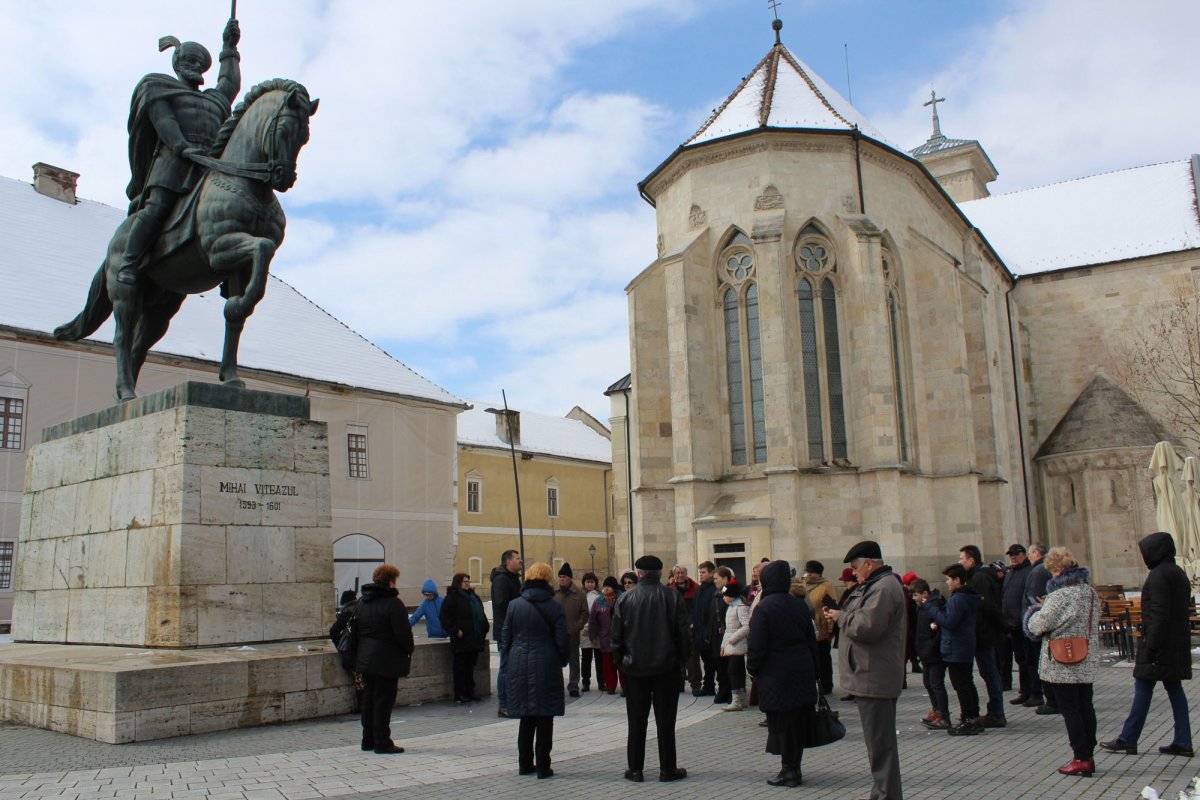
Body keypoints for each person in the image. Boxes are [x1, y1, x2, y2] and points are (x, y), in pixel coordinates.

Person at [119, 17, 242, 286]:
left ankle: (230, 266)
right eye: (190, 60)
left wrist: (229, 49)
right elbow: (164, 120)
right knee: (157, 207)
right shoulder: (158, 87)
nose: (196, 66)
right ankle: (129, 260)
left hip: (209, 165)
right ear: (178, 63)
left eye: (200, 63)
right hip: (173, 162)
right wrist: (180, 146)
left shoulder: (214, 100)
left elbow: (229, 82)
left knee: (231, 207)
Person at [1101, 531, 1194, 758]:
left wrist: (1151, 646)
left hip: (1160, 644)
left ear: (1155, 552)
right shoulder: (1177, 573)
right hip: (1175, 643)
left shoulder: (1159, 576)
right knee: (1174, 688)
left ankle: (1128, 738)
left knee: (1143, 687)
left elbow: (1159, 614)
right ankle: (1183, 740)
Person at [824, 540, 905, 800]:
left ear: (869, 564)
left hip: (875, 677)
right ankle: (882, 793)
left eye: (855, 567)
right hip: (870, 675)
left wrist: (840, 617)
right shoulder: (873, 585)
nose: (853, 572)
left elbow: (866, 627)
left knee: (881, 746)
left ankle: (886, 795)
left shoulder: (883, 588)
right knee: (878, 745)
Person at [610, 554, 690, 783]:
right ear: (661, 573)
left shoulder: (625, 599)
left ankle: (635, 769)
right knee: (666, 721)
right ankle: (667, 769)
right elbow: (683, 634)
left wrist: (621, 662)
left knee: (636, 720)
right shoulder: (672, 596)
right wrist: (681, 661)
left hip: (634, 668)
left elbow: (616, 637)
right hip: (667, 667)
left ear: (638, 574)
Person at [1025, 547, 1101, 777]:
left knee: (1070, 709)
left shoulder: (1059, 596)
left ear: (1057, 570)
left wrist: (1035, 610)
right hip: (1085, 655)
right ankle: (1088, 753)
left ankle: (1080, 757)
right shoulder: (1090, 592)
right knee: (1085, 706)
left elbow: (1037, 625)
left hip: (1062, 659)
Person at [748, 559, 819, 788]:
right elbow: (811, 640)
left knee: (782, 723)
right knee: (797, 722)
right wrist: (815, 669)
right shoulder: (798, 605)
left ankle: (788, 771)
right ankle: (794, 768)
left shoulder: (764, 608)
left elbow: (756, 645)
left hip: (776, 673)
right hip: (801, 669)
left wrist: (753, 669)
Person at [500, 561, 569, 779]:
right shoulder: (554, 606)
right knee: (545, 716)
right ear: (548, 579)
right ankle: (543, 766)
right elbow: (562, 640)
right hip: (546, 662)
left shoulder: (514, 605)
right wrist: (562, 660)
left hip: (519, 663)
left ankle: (524, 763)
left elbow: (505, 637)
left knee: (526, 717)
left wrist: (513, 657)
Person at [352, 564, 414, 754]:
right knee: (383, 701)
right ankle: (382, 741)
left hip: (365, 659)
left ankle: (368, 739)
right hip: (386, 660)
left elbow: (356, 630)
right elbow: (403, 634)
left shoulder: (362, 602)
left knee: (368, 700)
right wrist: (408, 649)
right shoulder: (393, 604)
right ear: (391, 582)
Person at [921, 564, 983, 736]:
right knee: (967, 683)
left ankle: (968, 720)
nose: (947, 582)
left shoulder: (958, 599)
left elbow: (950, 622)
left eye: (949, 579)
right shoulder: (966, 596)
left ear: (957, 580)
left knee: (961, 685)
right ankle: (973, 718)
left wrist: (931, 609)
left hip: (956, 647)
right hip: (963, 645)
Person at [960, 545, 1006, 727]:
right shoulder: (977, 576)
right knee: (988, 672)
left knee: (990, 673)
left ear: (971, 561)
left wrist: (1001, 627)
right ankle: (995, 711)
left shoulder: (979, 578)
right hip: (983, 632)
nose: (960, 562)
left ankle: (996, 713)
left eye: (962, 559)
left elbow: (987, 607)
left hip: (984, 633)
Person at [439, 573, 490, 703]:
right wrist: (455, 630)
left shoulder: (473, 597)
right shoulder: (452, 598)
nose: (468, 584)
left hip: (474, 638)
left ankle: (469, 692)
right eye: (465, 582)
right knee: (460, 667)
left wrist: (485, 626)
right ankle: (460, 694)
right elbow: (445, 617)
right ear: (458, 583)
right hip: (461, 639)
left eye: (468, 581)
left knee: (470, 667)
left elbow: (480, 613)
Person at [909, 578, 950, 730]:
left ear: (925, 594)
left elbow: (938, 630)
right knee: (928, 682)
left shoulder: (935, 606)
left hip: (934, 653)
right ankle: (936, 709)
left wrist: (930, 647)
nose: (914, 598)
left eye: (916, 595)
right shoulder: (921, 607)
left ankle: (943, 715)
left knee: (936, 684)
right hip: (925, 652)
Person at [490, 549, 523, 717]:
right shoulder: (501, 579)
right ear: (508, 561)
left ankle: (512, 702)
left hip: (514, 629)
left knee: (512, 668)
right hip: (506, 631)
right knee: (505, 668)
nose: (520, 561)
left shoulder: (513, 578)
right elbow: (503, 603)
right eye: (517, 558)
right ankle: (503, 705)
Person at [1024, 543, 1056, 714]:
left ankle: (1051, 700)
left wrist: (1032, 623)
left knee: (1041, 662)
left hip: (1041, 626)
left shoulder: (1038, 571)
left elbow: (1034, 599)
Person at [1001, 544, 1034, 706]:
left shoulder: (1029, 572)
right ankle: (1024, 691)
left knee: (1029, 660)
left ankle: (1033, 692)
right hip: (1011, 623)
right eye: (1011, 555)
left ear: (1024, 555)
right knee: (1020, 659)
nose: (1013, 557)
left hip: (1023, 623)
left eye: (1016, 554)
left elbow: (1027, 598)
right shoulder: (1010, 573)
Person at [800, 560, 838, 695]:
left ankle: (827, 685)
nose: (809, 574)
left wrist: (830, 629)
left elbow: (832, 607)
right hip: (807, 627)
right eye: (807, 571)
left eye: (812, 572)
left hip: (821, 627)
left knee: (823, 658)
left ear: (818, 573)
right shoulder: (802, 585)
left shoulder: (826, 585)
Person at [553, 563, 589, 697]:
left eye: (564, 577)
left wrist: (577, 626)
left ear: (570, 578)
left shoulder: (579, 594)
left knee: (574, 660)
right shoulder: (554, 592)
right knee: (555, 660)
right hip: (556, 633)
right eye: (560, 577)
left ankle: (573, 686)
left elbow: (585, 613)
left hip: (572, 633)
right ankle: (556, 685)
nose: (562, 579)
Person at [330, 589, 364, 712]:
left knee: (359, 680)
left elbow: (333, 631)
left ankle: (362, 706)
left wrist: (339, 644)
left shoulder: (346, 613)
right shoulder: (361, 609)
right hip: (365, 648)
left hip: (353, 652)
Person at [719, 582, 752, 711]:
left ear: (731, 595)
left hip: (737, 644)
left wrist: (732, 639)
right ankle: (741, 699)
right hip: (731, 644)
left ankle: (737, 700)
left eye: (725, 595)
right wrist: (723, 645)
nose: (723, 598)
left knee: (734, 671)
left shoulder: (740, 607)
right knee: (735, 671)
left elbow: (746, 626)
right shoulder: (731, 607)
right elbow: (728, 629)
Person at [670, 564, 702, 694]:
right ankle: (679, 683)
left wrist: (693, 622)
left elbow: (698, 608)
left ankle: (696, 685)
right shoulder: (669, 589)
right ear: (674, 575)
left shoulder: (696, 588)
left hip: (691, 627)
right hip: (675, 628)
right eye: (677, 573)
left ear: (686, 573)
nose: (680, 575)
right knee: (676, 657)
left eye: (682, 572)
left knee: (692, 658)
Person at [708, 566, 737, 704]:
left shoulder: (729, 593)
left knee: (729, 665)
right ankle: (723, 690)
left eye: (716, 578)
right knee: (720, 665)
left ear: (725, 579)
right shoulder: (716, 593)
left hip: (727, 634)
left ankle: (730, 691)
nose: (714, 581)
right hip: (716, 635)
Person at [589, 577, 623, 694]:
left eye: (608, 586)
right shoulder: (598, 601)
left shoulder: (622, 598)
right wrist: (593, 636)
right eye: (604, 586)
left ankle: (625, 687)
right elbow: (593, 620)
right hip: (605, 638)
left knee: (621, 665)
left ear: (614, 588)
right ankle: (610, 686)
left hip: (621, 638)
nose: (606, 589)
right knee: (608, 665)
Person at [691, 561, 718, 696]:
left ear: (712, 573)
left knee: (714, 662)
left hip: (710, 632)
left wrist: (708, 631)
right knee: (706, 662)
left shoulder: (715, 589)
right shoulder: (699, 589)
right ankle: (708, 686)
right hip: (699, 631)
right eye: (700, 572)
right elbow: (696, 610)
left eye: (703, 572)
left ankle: (715, 686)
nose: (701, 575)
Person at [580, 572, 601, 692]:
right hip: (584, 630)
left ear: (595, 584)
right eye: (587, 582)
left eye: (592, 582)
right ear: (584, 583)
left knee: (599, 658)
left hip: (597, 630)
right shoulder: (580, 596)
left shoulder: (599, 596)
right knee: (586, 658)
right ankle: (585, 682)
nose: (589, 584)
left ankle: (601, 682)